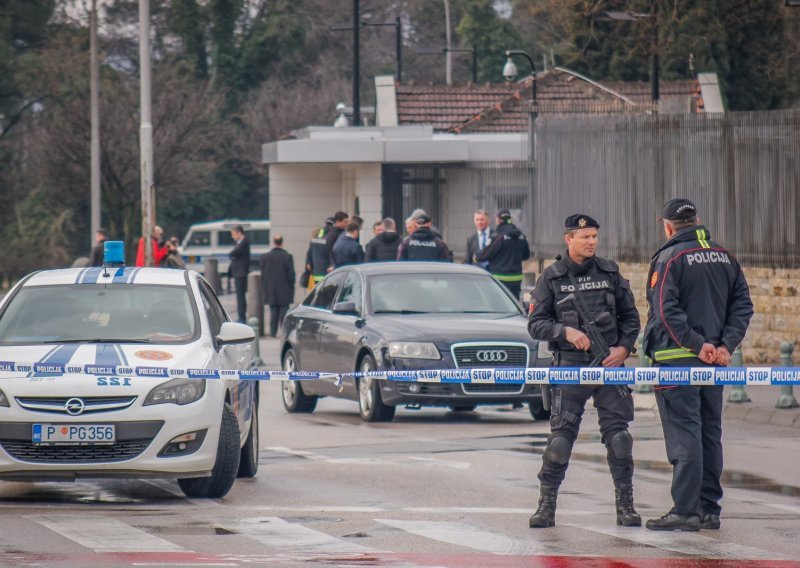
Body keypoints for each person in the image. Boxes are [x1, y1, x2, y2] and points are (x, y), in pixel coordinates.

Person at [643, 198, 753, 532]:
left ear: (667, 226)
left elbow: (665, 310)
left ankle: (685, 511)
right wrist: (724, 346)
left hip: (677, 362)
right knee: (709, 434)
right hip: (713, 364)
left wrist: (696, 344)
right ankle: (709, 509)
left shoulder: (670, 257)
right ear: (698, 220)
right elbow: (743, 306)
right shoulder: (725, 256)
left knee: (684, 435)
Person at [527, 214, 641, 529]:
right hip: (571, 367)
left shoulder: (610, 272)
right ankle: (546, 506)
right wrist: (565, 332)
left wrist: (623, 349)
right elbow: (535, 325)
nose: (591, 242)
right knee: (561, 440)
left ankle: (625, 505)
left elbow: (631, 318)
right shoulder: (551, 278)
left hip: (609, 365)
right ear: (569, 239)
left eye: (594, 236)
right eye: (585, 237)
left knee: (619, 438)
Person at [476, 209, 531, 299]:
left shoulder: (498, 236)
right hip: (516, 278)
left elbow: (485, 254)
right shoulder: (521, 236)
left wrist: (476, 257)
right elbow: (526, 256)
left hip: (499, 278)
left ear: (498, 220)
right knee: (514, 304)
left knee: (498, 304)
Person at [260, 235, 296, 337]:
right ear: (282, 243)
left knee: (273, 311)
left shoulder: (265, 257)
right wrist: (291, 285)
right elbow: (291, 274)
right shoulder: (288, 257)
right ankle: (284, 332)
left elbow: (263, 275)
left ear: (273, 242)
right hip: (285, 289)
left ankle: (272, 332)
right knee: (284, 311)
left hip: (271, 289)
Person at [228, 225, 251, 323]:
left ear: (239, 233)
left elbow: (233, 253)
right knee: (239, 295)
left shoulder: (244, 243)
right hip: (237, 272)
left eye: (233, 234)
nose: (232, 237)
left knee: (241, 296)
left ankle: (242, 316)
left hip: (241, 272)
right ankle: (240, 315)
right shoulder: (238, 243)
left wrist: (233, 255)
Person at [305, 220, 332, 288]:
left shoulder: (313, 243)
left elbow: (308, 261)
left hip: (316, 273)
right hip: (325, 273)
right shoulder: (326, 242)